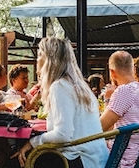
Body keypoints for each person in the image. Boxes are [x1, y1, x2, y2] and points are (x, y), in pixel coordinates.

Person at [13, 37, 108, 168]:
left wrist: (32, 142)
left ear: (49, 60)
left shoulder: (60, 86)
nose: (37, 59)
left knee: (17, 160)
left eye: (40, 54)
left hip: (80, 160)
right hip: (96, 158)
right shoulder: (80, 86)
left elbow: (62, 135)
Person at [100, 51, 139, 168]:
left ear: (112, 72)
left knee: (78, 152)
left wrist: (107, 99)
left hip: (124, 157)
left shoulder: (124, 91)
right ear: (133, 69)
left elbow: (100, 127)